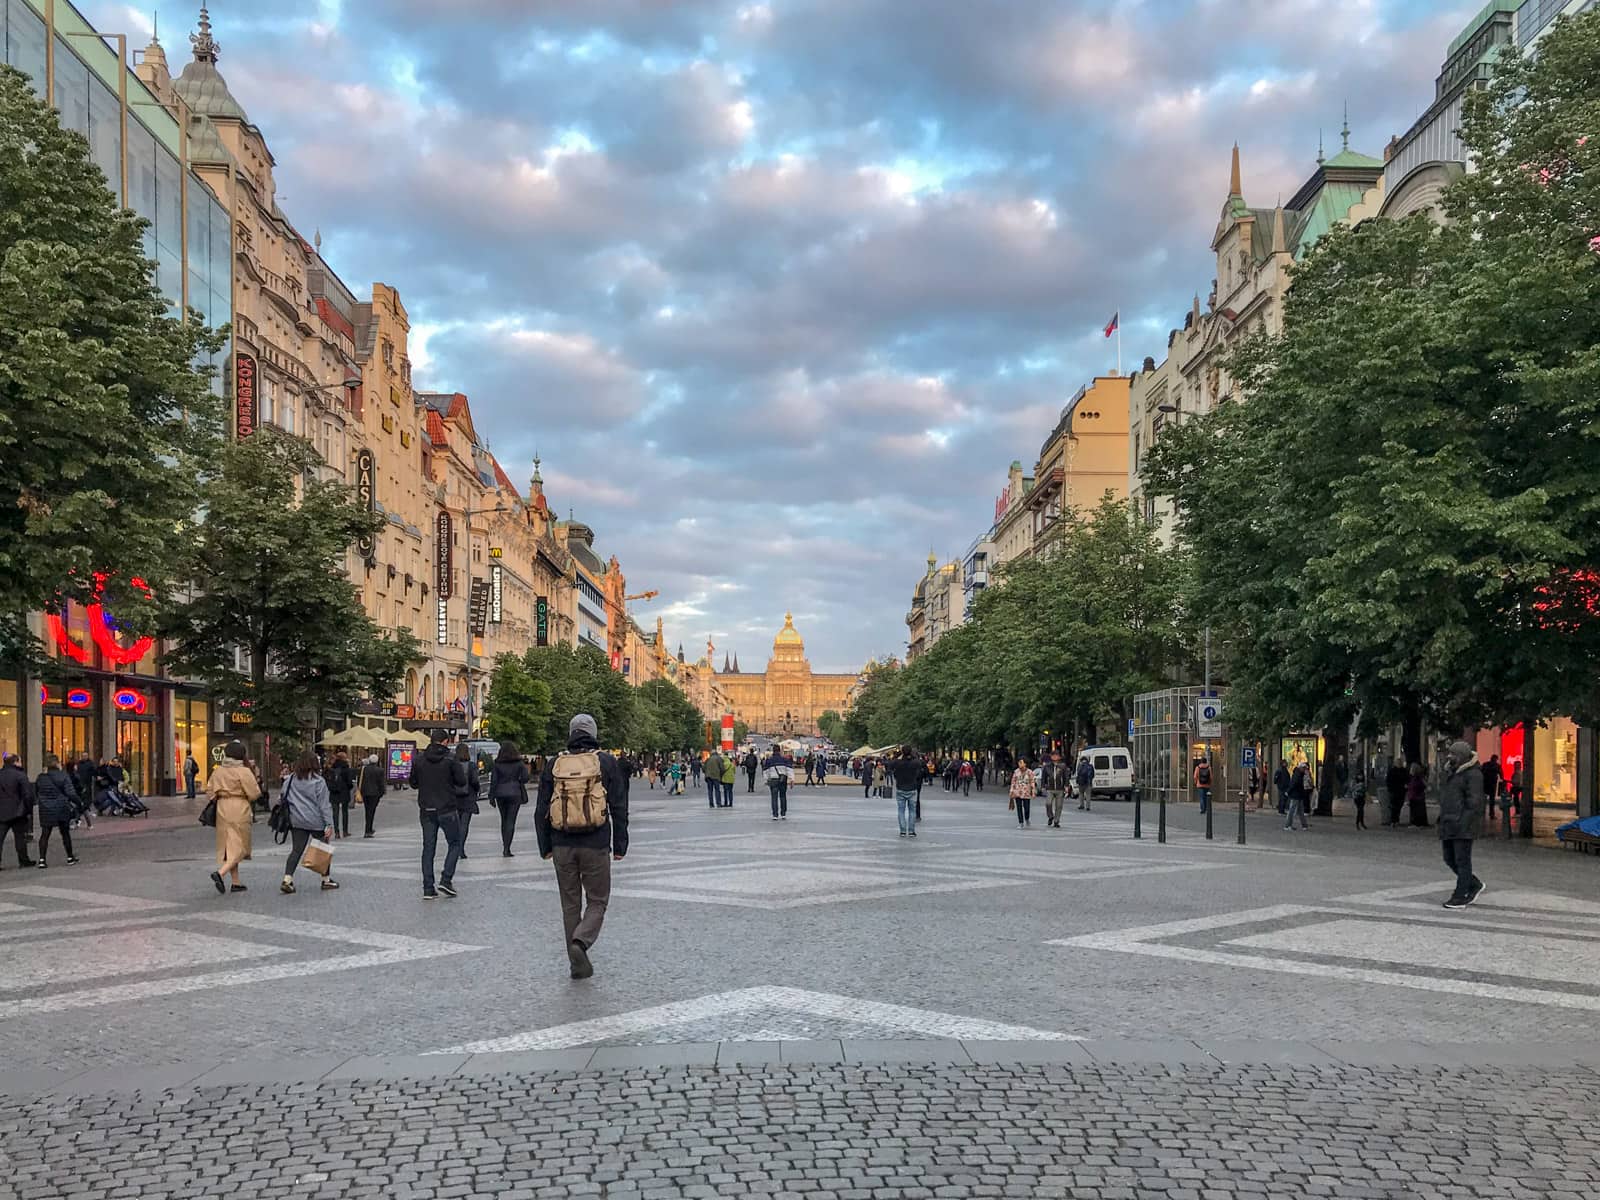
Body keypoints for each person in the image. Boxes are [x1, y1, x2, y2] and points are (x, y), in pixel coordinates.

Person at [536, 714, 629, 980]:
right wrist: (620, 843)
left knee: (570, 905)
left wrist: (545, 846)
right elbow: (619, 806)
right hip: (596, 842)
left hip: (561, 842)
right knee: (597, 901)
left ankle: (576, 963)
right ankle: (581, 943)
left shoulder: (555, 764)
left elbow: (542, 808)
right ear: (593, 733)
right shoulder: (606, 762)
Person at [409, 730, 467, 899]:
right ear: (445, 741)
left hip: (426, 809)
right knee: (455, 843)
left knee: (428, 848)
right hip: (447, 808)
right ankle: (446, 880)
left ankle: (428, 888)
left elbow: (413, 783)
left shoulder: (419, 759)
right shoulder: (450, 759)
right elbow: (461, 781)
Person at [279, 749, 337, 895]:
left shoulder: (290, 779)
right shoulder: (318, 781)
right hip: (315, 820)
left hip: (297, 820)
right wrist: (329, 824)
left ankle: (287, 879)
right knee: (323, 848)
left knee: (296, 850)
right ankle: (326, 879)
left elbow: (282, 797)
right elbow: (324, 805)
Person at [1438, 740, 1486, 908]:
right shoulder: (1452, 772)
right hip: (1449, 822)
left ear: (1462, 756)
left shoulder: (1473, 774)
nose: (1449, 756)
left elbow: (1475, 802)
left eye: (1453, 754)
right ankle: (1473, 884)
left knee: (1462, 860)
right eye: (1449, 753)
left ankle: (1460, 895)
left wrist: (1463, 821)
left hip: (1463, 824)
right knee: (1449, 858)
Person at [207, 741, 258, 894]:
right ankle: (220, 873)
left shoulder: (218, 771)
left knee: (229, 846)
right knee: (241, 846)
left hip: (222, 808)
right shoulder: (243, 771)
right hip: (239, 807)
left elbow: (209, 791)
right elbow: (254, 793)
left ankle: (236, 882)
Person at [33, 755, 82, 868]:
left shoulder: (41, 777)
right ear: (57, 764)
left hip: (46, 808)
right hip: (61, 807)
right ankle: (70, 857)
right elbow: (70, 793)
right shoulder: (63, 776)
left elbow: (37, 792)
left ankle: (42, 859)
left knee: (45, 834)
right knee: (65, 833)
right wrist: (79, 802)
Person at [491, 740, 531, 856]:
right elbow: (525, 778)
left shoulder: (497, 764)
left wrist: (491, 796)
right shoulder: (519, 763)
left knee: (503, 820)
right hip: (514, 793)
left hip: (500, 793)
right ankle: (507, 848)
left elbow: (494, 781)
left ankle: (505, 844)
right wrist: (517, 780)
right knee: (511, 821)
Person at [0, 752, 35, 869]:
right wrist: (28, 809)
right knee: (20, 837)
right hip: (18, 811)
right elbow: (28, 795)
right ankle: (23, 860)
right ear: (15, 762)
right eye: (19, 761)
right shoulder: (20, 775)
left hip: (2, 811)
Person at [454, 742, 481, 858]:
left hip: (454, 798)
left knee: (456, 824)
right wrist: (477, 789)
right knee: (464, 825)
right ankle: (461, 849)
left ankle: (455, 848)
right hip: (468, 797)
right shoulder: (471, 766)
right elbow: (475, 781)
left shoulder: (452, 765)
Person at [889, 746, 923, 837]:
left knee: (901, 811)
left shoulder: (898, 762)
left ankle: (902, 831)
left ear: (902, 752)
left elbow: (890, 765)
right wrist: (913, 756)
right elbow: (920, 763)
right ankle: (911, 831)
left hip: (900, 788)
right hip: (912, 788)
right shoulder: (915, 762)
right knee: (912, 811)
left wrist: (898, 755)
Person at [326, 750, 355, 839]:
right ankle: (345, 831)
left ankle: (337, 832)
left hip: (334, 792)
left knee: (335, 812)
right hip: (344, 792)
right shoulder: (346, 768)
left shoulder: (331, 768)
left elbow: (327, 780)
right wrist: (348, 788)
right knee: (345, 812)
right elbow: (350, 782)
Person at [357, 752, 386, 837]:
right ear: (377, 761)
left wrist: (361, 791)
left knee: (367, 811)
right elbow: (381, 783)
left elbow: (360, 780)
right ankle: (368, 830)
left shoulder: (363, 769)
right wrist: (382, 793)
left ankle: (368, 828)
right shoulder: (380, 770)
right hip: (375, 794)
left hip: (365, 793)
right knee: (371, 811)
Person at [763, 743, 794, 820]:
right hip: (783, 779)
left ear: (773, 751)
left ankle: (775, 815)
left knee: (774, 797)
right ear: (780, 751)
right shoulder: (784, 760)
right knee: (783, 796)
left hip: (773, 780)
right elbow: (789, 770)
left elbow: (766, 771)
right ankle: (783, 814)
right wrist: (792, 779)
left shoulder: (769, 760)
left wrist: (766, 780)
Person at [1040, 750, 1070, 828]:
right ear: (1051, 757)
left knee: (1059, 806)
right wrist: (1043, 786)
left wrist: (1066, 786)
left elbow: (1066, 777)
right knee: (1048, 803)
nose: (1055, 757)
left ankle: (1056, 821)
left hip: (1060, 789)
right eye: (1053, 755)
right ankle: (1050, 816)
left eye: (1056, 755)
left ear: (1059, 757)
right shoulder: (1047, 766)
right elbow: (1043, 777)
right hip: (1050, 788)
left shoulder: (1063, 766)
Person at [1284, 760, 1311, 830]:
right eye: (1304, 768)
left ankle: (1304, 825)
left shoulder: (1298, 773)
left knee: (1299, 811)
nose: (1305, 769)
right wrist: (1288, 791)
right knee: (1293, 810)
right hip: (1296, 795)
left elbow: (1294, 784)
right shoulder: (1298, 774)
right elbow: (1294, 784)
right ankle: (1288, 825)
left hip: (1298, 794)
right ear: (1301, 768)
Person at [1010, 755, 1036, 827]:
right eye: (1019, 762)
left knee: (1027, 808)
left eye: (1021, 762)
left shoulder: (1030, 772)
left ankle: (1027, 818)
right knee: (1019, 807)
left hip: (1026, 793)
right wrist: (1011, 791)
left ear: (1025, 763)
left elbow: (1032, 782)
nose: (1019, 764)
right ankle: (1021, 822)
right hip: (1017, 792)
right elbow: (1013, 782)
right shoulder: (1016, 772)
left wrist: (1033, 792)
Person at [1406, 762, 1429, 827]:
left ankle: (1417, 823)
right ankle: (1416, 823)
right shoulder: (1413, 777)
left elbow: (1422, 785)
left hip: (1416, 796)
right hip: (1414, 796)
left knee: (1416, 811)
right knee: (1414, 810)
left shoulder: (1418, 778)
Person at [1384, 760, 1408, 826]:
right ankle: (1393, 820)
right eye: (1398, 763)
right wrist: (1390, 789)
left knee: (1399, 806)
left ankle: (1396, 819)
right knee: (1394, 806)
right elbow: (1388, 780)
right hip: (1394, 791)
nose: (1399, 764)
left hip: (1401, 791)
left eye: (1400, 763)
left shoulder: (1404, 771)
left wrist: (1405, 787)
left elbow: (1407, 779)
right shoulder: (1392, 771)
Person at [1481, 753, 1502, 820]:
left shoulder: (1485, 764)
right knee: (1491, 800)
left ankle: (1483, 813)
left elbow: (1481, 772)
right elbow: (1501, 774)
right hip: (1492, 784)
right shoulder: (1497, 766)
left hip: (1486, 783)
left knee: (1484, 799)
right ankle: (1491, 814)